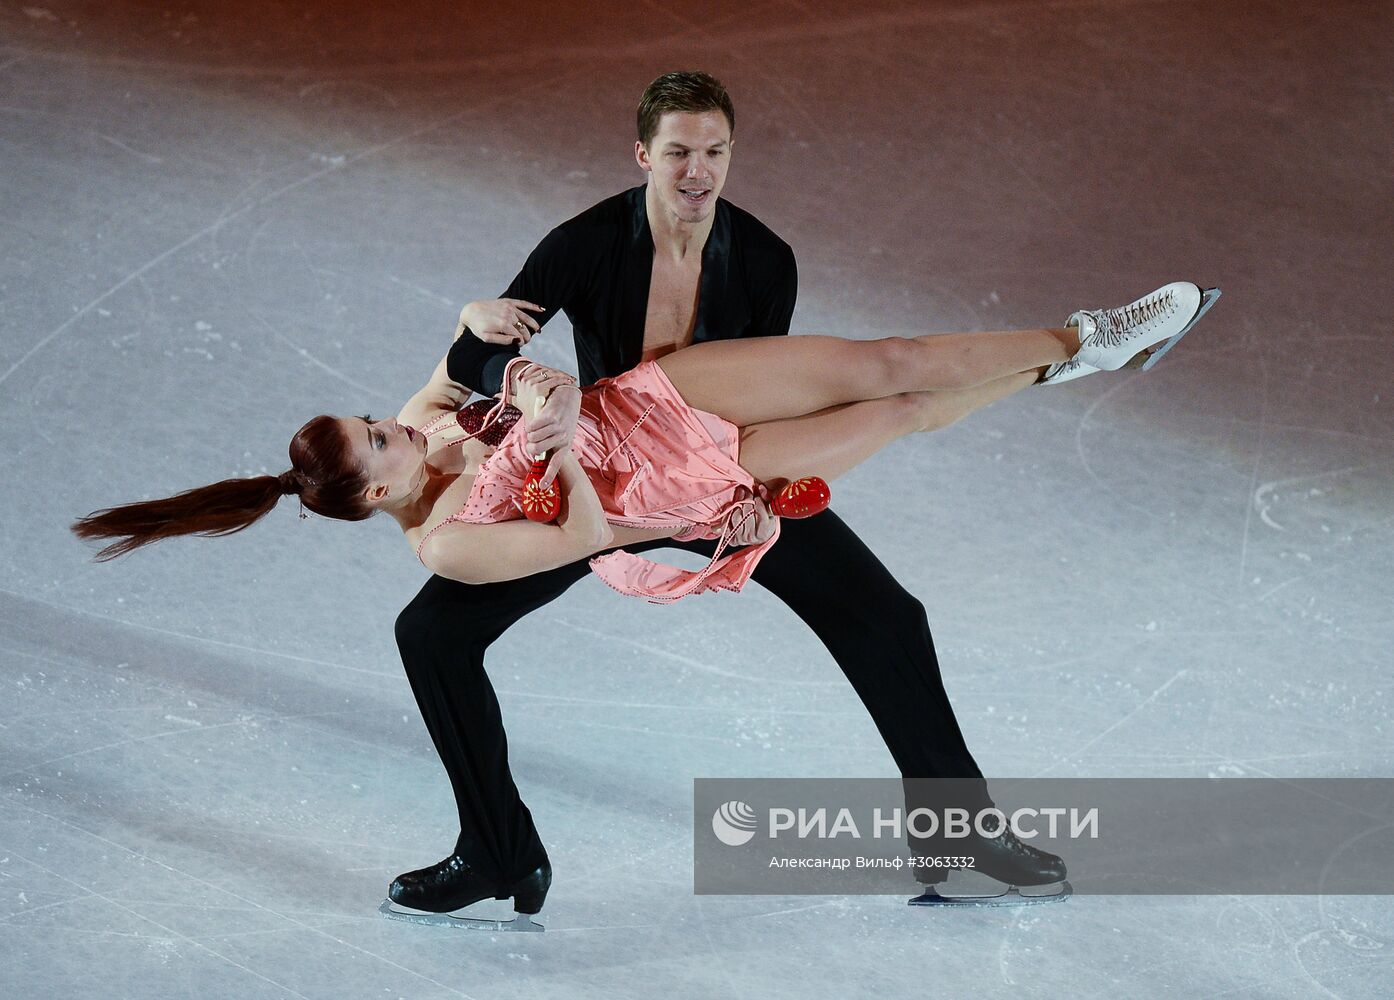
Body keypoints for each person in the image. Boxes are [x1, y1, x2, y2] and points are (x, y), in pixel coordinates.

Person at [74, 259, 1214, 916]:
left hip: (651, 400)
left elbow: (451, 374)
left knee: (889, 360)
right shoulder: (449, 550)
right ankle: (1067, 365)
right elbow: (581, 535)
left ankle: (1086, 336)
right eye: (381, 442)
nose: (397, 425)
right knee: (900, 415)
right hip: (674, 480)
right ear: (375, 499)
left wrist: (481, 338)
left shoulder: (421, 427)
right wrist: (556, 443)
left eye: (377, 421)